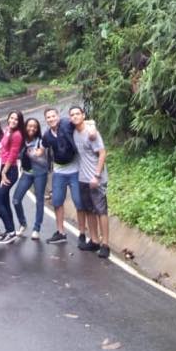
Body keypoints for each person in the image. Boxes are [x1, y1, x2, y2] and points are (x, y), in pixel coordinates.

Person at [42, 107, 88, 246]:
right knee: (57, 202)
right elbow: (43, 148)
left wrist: (91, 129)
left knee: (79, 203)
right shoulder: (47, 135)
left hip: (75, 171)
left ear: (58, 116)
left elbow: (83, 123)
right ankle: (60, 232)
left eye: (53, 116)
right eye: (48, 117)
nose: (51, 119)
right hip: (59, 172)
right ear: (46, 120)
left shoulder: (67, 124)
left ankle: (82, 233)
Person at [69, 106, 110, 258]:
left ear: (83, 115)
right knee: (89, 210)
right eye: (72, 114)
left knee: (101, 210)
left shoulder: (91, 133)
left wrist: (97, 175)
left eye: (77, 114)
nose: (74, 116)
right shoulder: (73, 132)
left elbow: (102, 153)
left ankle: (105, 244)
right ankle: (94, 240)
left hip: (96, 178)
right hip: (83, 178)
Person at [12, 117, 49, 240]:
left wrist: (32, 153)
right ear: (25, 126)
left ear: (37, 128)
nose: (32, 128)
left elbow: (43, 159)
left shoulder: (41, 141)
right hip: (27, 173)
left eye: (35, 126)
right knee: (16, 200)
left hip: (40, 173)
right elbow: (16, 154)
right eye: (29, 126)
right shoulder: (21, 140)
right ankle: (23, 224)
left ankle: (36, 228)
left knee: (39, 200)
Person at [0, 111, 25, 244]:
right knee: (4, 201)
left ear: (19, 122)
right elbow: (3, 146)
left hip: (9, 170)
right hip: (3, 167)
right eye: (11, 117)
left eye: (16, 120)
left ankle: (11, 231)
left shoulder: (17, 135)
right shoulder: (7, 130)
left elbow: (13, 155)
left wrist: (4, 172)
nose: (13, 121)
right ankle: (9, 230)